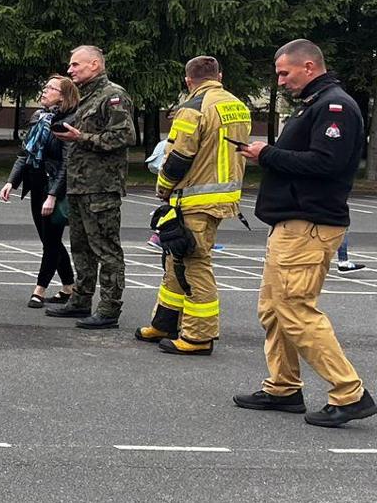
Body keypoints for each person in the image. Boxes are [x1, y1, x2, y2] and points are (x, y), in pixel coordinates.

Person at [236, 39, 375, 426]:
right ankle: (283, 387)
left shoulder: (335, 106)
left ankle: (350, 393)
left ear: (309, 67)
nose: (280, 81)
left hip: (310, 225)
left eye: (285, 73)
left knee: (296, 309)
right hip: (293, 223)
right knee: (274, 309)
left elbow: (325, 163)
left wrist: (266, 155)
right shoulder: (316, 104)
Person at [139, 57, 252, 356]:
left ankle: (199, 336)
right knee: (176, 260)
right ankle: (165, 323)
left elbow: (179, 156)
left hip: (195, 197)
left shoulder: (193, 106)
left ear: (188, 80)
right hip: (221, 197)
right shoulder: (236, 104)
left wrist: (163, 187)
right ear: (220, 76)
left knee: (195, 264)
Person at [48, 45, 137, 329]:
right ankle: (80, 299)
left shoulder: (113, 95)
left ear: (95, 64)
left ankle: (109, 309)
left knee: (106, 250)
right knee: (81, 247)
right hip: (80, 185)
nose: (70, 70)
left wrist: (81, 137)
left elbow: (124, 136)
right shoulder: (87, 97)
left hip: (101, 186)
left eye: (76, 65)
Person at [4, 76, 78, 308]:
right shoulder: (39, 117)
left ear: (64, 95)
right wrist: (11, 182)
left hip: (54, 186)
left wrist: (54, 195)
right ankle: (69, 287)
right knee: (49, 240)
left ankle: (39, 289)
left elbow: (67, 163)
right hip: (36, 183)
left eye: (50, 88)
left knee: (51, 240)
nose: (44, 91)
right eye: (44, 86)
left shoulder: (69, 120)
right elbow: (25, 153)